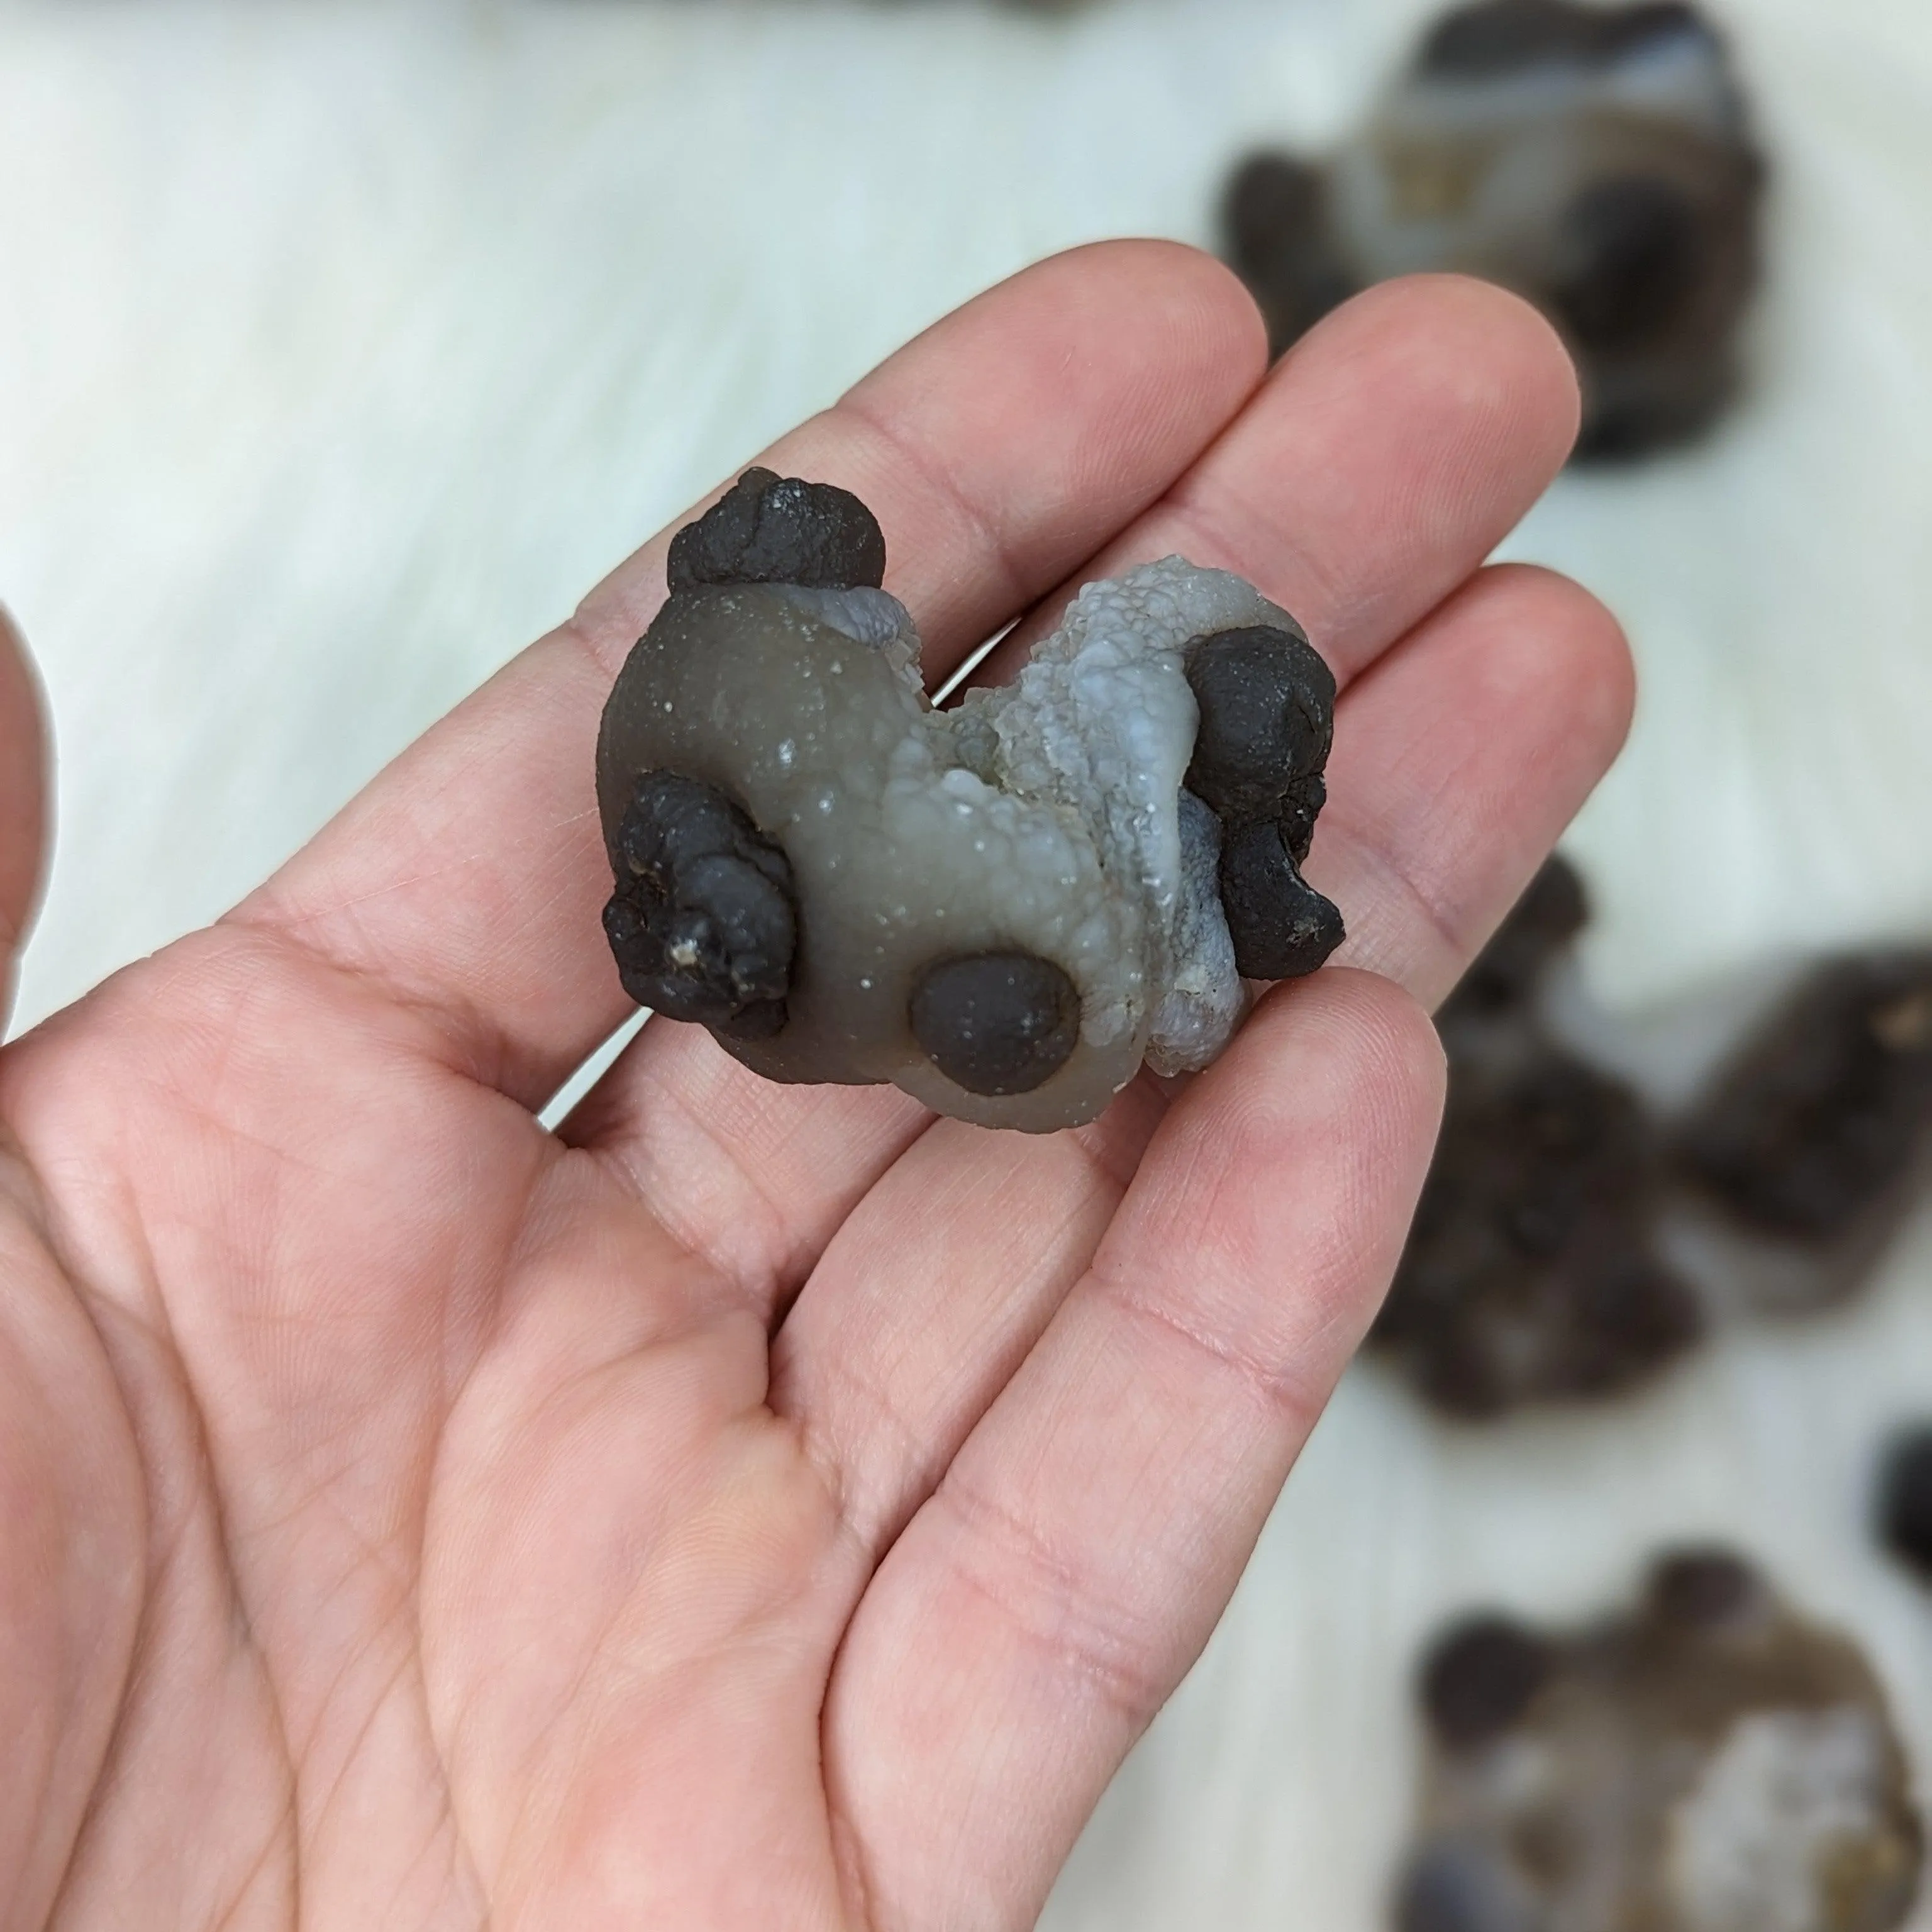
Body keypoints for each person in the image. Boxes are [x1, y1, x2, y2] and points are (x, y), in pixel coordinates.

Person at [0, 242, 1629, 1928]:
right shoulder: (814, 812)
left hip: (1031, 875)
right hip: (1008, 905)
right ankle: (1171, 885)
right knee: (1069, 919)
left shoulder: (779, 742)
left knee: (1135, 833)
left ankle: (1202, 873)